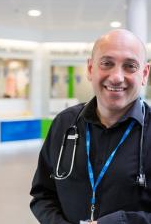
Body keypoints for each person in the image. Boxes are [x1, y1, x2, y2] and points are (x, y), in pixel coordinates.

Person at [29, 29, 151, 224]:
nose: (117, 77)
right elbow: (43, 196)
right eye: (107, 63)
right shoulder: (64, 123)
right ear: (90, 69)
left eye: (130, 66)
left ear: (144, 74)